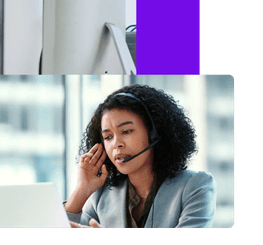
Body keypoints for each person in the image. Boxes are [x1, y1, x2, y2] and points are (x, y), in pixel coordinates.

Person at [65, 84, 217, 228]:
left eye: (126, 131)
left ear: (154, 134)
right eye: (108, 137)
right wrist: (81, 191)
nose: (116, 144)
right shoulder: (100, 196)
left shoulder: (196, 186)